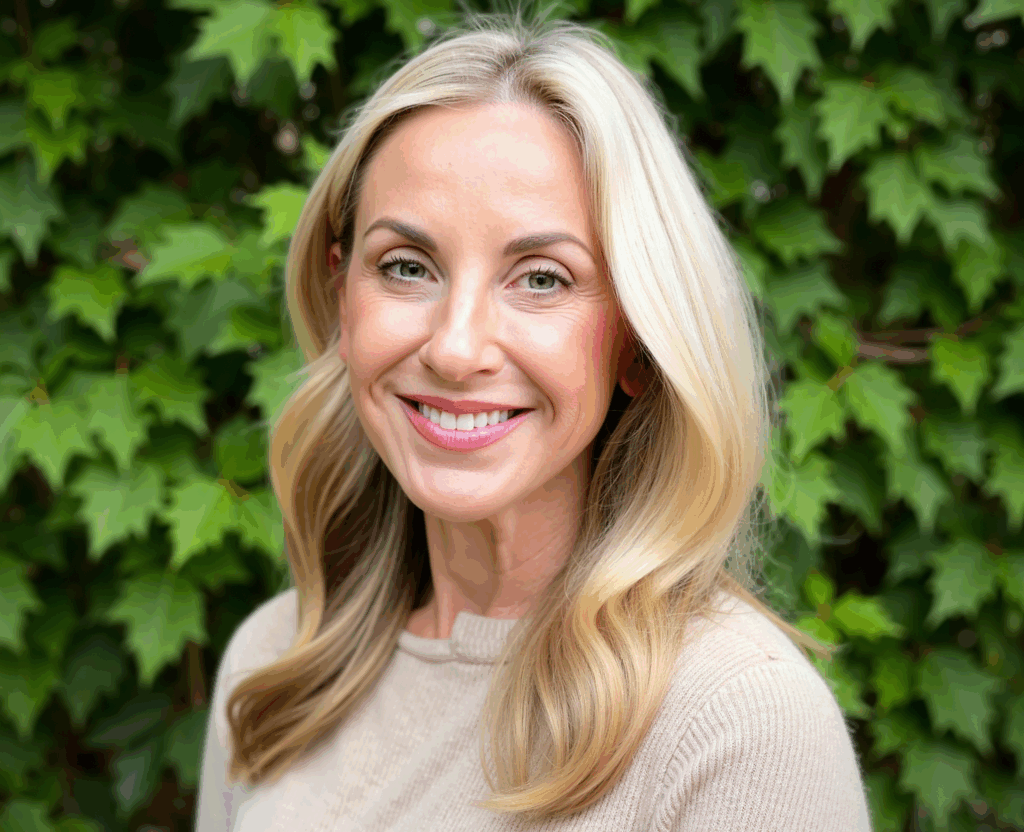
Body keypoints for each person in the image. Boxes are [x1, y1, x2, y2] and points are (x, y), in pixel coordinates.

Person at [194, 7, 874, 832]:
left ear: (636, 337)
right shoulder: (275, 664)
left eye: (542, 278)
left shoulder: (738, 724)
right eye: (407, 267)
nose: (455, 347)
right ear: (342, 296)